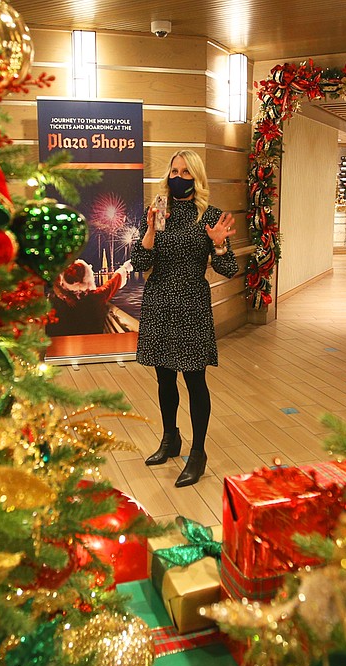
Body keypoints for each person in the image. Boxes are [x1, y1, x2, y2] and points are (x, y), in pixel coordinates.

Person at [130, 150, 238, 487]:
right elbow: (138, 262)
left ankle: (198, 453)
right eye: (174, 170)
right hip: (159, 299)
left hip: (192, 301)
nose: (179, 177)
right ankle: (170, 438)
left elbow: (228, 268)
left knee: (194, 380)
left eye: (186, 172)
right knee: (164, 379)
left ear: (197, 177)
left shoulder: (211, 215)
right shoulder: (157, 212)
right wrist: (149, 230)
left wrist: (218, 245)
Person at [47, 258, 133, 337]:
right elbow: (114, 281)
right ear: (88, 277)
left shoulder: (57, 299)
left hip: (63, 347)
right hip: (92, 346)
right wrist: (126, 267)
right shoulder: (96, 296)